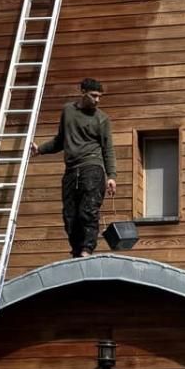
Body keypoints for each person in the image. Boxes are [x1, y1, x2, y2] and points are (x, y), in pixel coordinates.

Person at [30, 77, 117, 257]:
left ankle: (87, 249)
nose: (97, 100)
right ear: (82, 92)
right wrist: (41, 149)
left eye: (100, 97)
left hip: (92, 168)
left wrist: (111, 176)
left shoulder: (102, 119)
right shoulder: (68, 111)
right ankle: (77, 252)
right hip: (71, 170)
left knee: (88, 210)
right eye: (94, 96)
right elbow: (60, 140)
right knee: (70, 215)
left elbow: (108, 148)